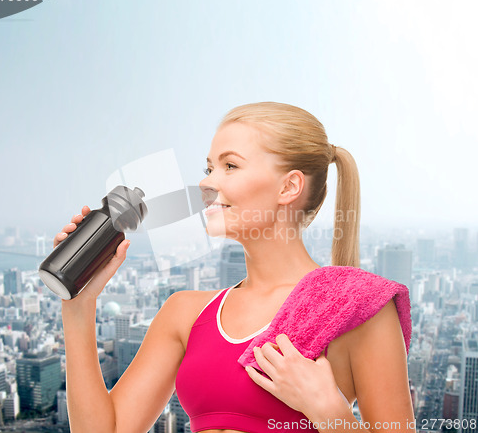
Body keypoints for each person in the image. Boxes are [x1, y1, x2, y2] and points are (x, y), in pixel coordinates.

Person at [57, 102, 416, 433]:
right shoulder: (183, 313)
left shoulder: (358, 308)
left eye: (230, 166)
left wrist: (331, 413)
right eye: (209, 168)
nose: (206, 183)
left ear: (289, 186)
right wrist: (78, 306)